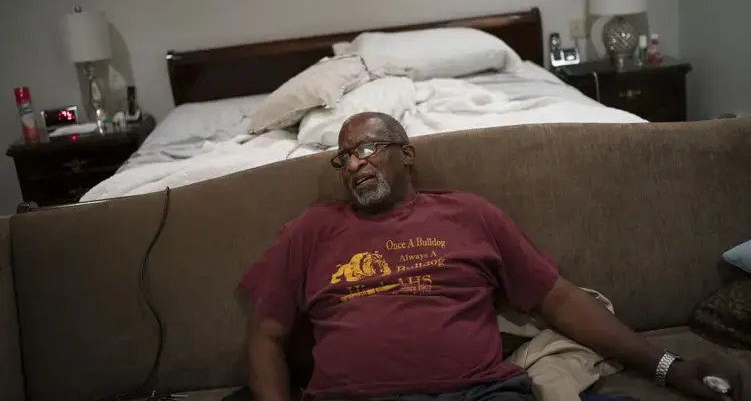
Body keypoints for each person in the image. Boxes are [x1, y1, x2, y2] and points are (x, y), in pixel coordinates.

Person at [240, 112, 745, 401]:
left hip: (477, 396)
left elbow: (557, 298)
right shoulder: (313, 228)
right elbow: (266, 337)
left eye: (368, 148)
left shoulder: (468, 214)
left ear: (407, 154)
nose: (354, 164)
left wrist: (666, 366)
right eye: (344, 157)